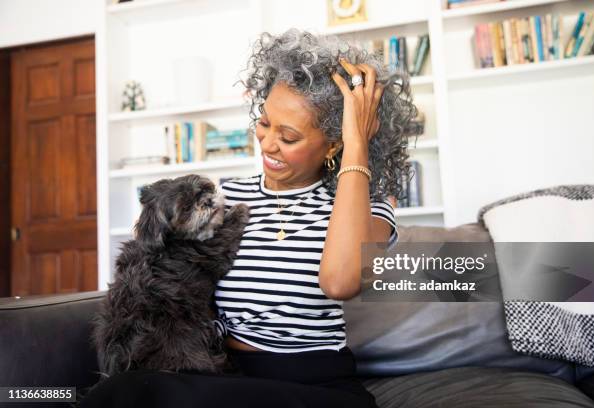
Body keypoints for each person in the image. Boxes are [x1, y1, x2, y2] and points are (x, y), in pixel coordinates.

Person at [79, 28, 420, 408]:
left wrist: (358, 143)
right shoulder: (227, 198)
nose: (267, 143)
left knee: (127, 396)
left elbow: (340, 280)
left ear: (334, 143)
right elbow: (155, 273)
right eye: (264, 121)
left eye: (288, 137)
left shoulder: (367, 203)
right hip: (222, 375)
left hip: (316, 387)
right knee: (130, 389)